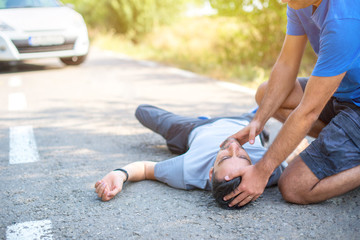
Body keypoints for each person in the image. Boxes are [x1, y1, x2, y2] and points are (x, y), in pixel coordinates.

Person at [223, 0, 360, 208]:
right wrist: (258, 122)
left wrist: (262, 170)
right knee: (265, 94)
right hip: (342, 91)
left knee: (294, 186)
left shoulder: (345, 19)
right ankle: (342, 143)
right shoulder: (299, 3)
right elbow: (287, 64)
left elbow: (308, 112)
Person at [94, 104, 290, 209]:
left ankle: (203, 118)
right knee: (269, 110)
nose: (232, 147)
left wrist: (119, 174)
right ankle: (254, 112)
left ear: (211, 171)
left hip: (194, 128)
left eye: (224, 158)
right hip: (247, 124)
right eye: (243, 156)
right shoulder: (267, 170)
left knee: (143, 111)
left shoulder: (186, 170)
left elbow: (145, 169)